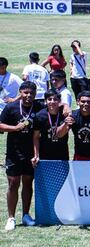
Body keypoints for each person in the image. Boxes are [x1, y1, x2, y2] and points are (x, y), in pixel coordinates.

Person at [0, 81, 41, 230]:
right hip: (14, 152)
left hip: (30, 153)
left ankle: (25, 215)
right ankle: (11, 218)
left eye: (31, 93)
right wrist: (14, 128)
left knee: (28, 183)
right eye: (25, 92)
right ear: (20, 93)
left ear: (35, 94)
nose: (28, 95)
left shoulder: (39, 107)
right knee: (13, 183)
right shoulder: (11, 108)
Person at [32, 90, 70, 164]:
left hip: (62, 155)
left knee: (62, 175)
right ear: (45, 101)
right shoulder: (39, 116)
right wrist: (36, 155)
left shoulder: (64, 114)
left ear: (59, 101)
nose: (52, 102)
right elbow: (36, 137)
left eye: (55, 99)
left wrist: (66, 105)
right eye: (49, 99)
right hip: (45, 155)